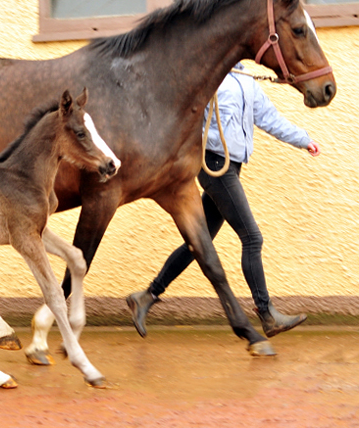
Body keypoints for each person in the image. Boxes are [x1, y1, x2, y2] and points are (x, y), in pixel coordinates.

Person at [127, 63, 320, 338]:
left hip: (233, 166)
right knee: (252, 238)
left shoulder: (246, 81)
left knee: (198, 242)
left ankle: (146, 296)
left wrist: (303, 140)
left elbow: (269, 118)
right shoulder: (208, 77)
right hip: (215, 166)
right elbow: (182, 116)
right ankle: (267, 314)